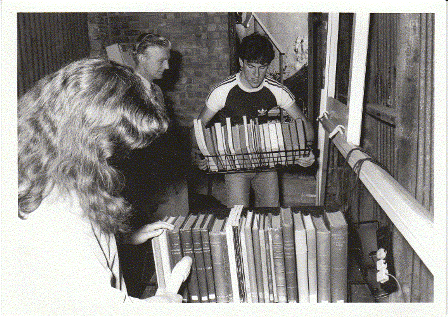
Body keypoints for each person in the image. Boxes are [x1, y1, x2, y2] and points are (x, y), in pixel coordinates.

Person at [7, 58, 191, 314]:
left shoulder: (40, 164)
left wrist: (124, 237)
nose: (115, 161)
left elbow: (71, 262)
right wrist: (162, 303)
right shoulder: (58, 214)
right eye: (114, 150)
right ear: (89, 140)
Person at [197, 32, 315, 208]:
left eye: (263, 67)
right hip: (235, 166)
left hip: (267, 165)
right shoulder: (222, 91)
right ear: (241, 62)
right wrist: (199, 155)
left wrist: (306, 151)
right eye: (251, 67)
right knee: (238, 217)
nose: (256, 75)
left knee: (270, 216)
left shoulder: (277, 90)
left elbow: (305, 127)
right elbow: (199, 126)